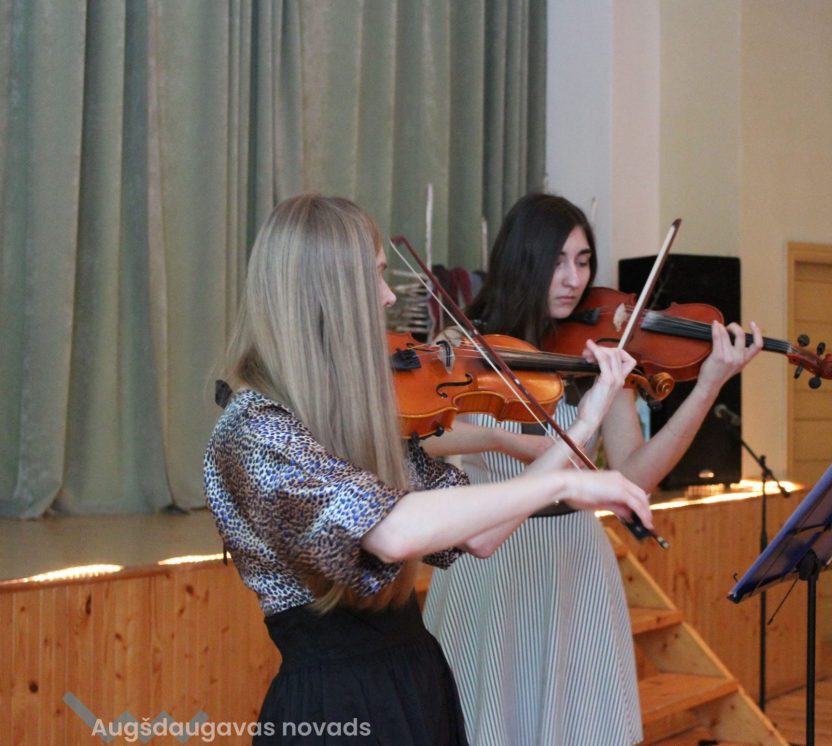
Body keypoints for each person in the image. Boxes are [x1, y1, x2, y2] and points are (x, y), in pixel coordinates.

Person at [204, 194, 652, 744]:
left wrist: (583, 425)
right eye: (374, 276)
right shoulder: (254, 430)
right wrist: (566, 480)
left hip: (417, 678)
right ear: (327, 290)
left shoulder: (359, 418)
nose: (389, 295)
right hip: (334, 704)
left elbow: (482, 536)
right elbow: (392, 532)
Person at [422, 193, 762, 746]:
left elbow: (635, 476)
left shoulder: (598, 354)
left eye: (583, 261)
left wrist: (707, 387)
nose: (574, 278)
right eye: (558, 261)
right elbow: (424, 436)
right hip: (490, 559)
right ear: (523, 260)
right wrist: (506, 439)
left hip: (575, 558)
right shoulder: (462, 346)